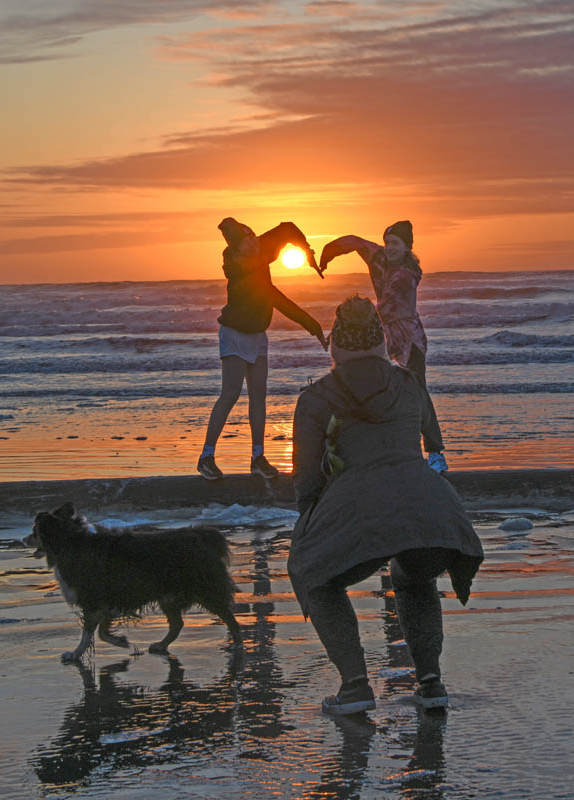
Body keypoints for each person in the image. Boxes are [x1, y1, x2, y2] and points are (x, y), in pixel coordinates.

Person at [287, 295, 483, 715]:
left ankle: (356, 686)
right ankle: (430, 683)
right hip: (431, 504)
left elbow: (304, 481)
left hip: (357, 503)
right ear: (380, 341)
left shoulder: (316, 397)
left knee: (314, 575)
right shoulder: (410, 383)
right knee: (414, 576)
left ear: (335, 346)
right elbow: (434, 445)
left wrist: (312, 523)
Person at [197, 217, 327, 481]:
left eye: (254, 236)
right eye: (246, 241)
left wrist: (307, 252)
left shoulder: (259, 252)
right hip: (234, 333)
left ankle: (258, 457)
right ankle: (206, 457)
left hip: (258, 335)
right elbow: (258, 265)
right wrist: (273, 250)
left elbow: (289, 227)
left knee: (259, 396)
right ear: (236, 248)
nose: (254, 242)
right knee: (230, 394)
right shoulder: (236, 266)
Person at [319, 220, 447, 473]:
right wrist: (327, 254)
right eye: (388, 243)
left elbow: (385, 306)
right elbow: (354, 241)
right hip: (383, 332)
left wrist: (350, 324)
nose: (389, 248)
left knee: (417, 390)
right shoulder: (378, 256)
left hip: (408, 337)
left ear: (407, 247)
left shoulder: (406, 275)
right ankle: (349, 443)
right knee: (360, 379)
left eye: (396, 244)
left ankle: (435, 453)